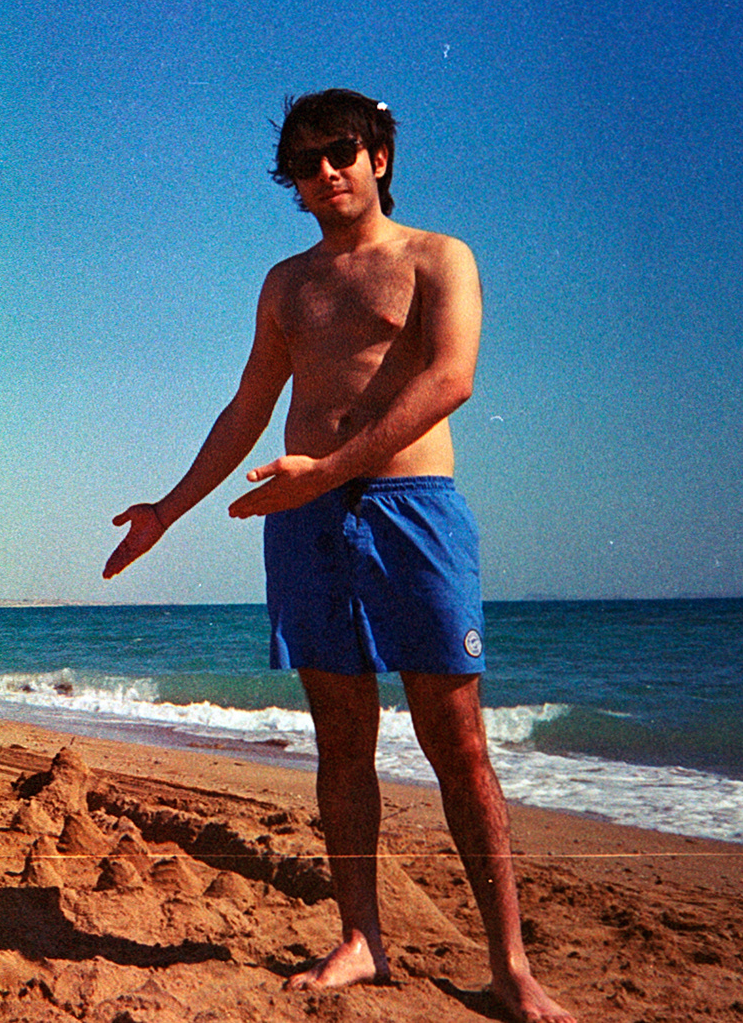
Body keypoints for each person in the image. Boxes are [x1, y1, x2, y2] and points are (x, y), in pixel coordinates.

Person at [103, 89, 572, 1023]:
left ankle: (510, 966)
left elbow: (451, 378)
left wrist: (329, 469)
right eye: (306, 162)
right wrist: (168, 510)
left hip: (412, 510)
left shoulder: (438, 257)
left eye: (342, 152)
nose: (325, 172)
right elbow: (249, 406)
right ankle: (362, 938)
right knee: (342, 742)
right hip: (305, 520)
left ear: (378, 157)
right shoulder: (287, 284)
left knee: (458, 743)